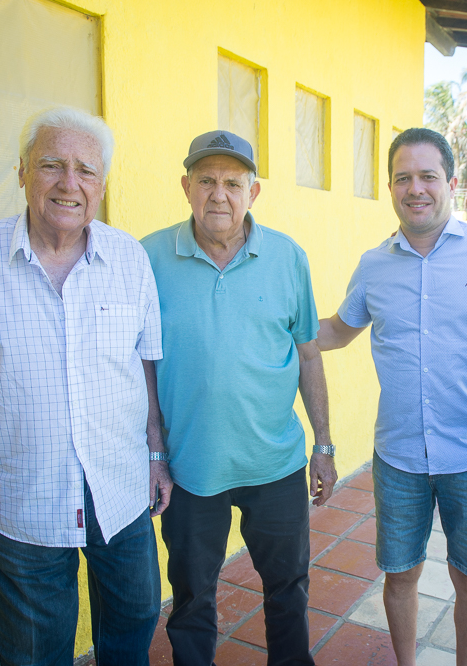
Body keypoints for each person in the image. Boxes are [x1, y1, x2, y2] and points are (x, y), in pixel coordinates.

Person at [0, 106, 168, 665]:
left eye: (86, 170)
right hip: (20, 500)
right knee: (32, 653)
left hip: (120, 490)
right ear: (23, 172)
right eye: (52, 165)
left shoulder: (130, 258)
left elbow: (143, 365)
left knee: (133, 628)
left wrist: (155, 455)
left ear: (102, 184)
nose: (69, 183)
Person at [316, 128, 467, 666]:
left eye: (428, 176)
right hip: (399, 457)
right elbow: (335, 332)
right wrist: (271, 324)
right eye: (403, 178)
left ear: (452, 184)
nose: (415, 188)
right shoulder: (374, 265)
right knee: (400, 577)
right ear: (390, 188)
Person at [140, 130, 337, 666]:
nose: (219, 194)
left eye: (233, 183)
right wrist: (155, 450)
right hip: (190, 463)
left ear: (254, 192)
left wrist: (323, 444)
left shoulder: (288, 257)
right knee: (191, 595)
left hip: (274, 462)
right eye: (206, 181)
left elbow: (309, 354)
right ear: (186, 188)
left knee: (288, 587)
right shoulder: (149, 257)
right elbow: (142, 364)